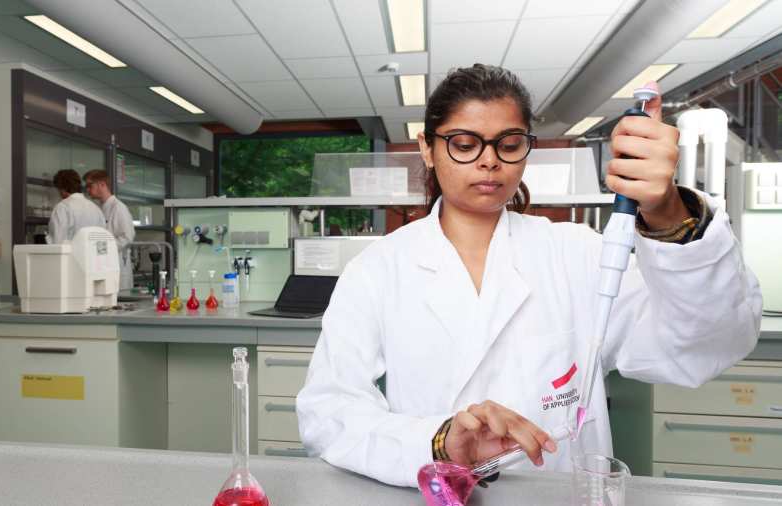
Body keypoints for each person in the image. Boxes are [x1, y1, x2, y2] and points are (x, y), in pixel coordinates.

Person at [296, 65, 762, 487]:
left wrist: (666, 213)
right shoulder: (379, 269)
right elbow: (329, 411)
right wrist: (440, 443)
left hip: (563, 493)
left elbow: (705, 343)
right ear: (428, 148)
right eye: (464, 143)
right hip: (442, 496)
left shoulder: (577, 253)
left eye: (509, 143)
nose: (488, 161)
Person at [84, 169, 136, 290]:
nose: (87, 190)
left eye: (89, 185)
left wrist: (103, 248)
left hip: (117, 264)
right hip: (102, 265)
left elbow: (127, 237)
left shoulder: (118, 208)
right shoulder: (99, 208)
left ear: (102, 184)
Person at [48, 169, 107, 244]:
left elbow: (58, 242)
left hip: (71, 255)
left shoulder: (62, 207)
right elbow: (102, 240)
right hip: (93, 255)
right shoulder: (96, 209)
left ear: (62, 189)